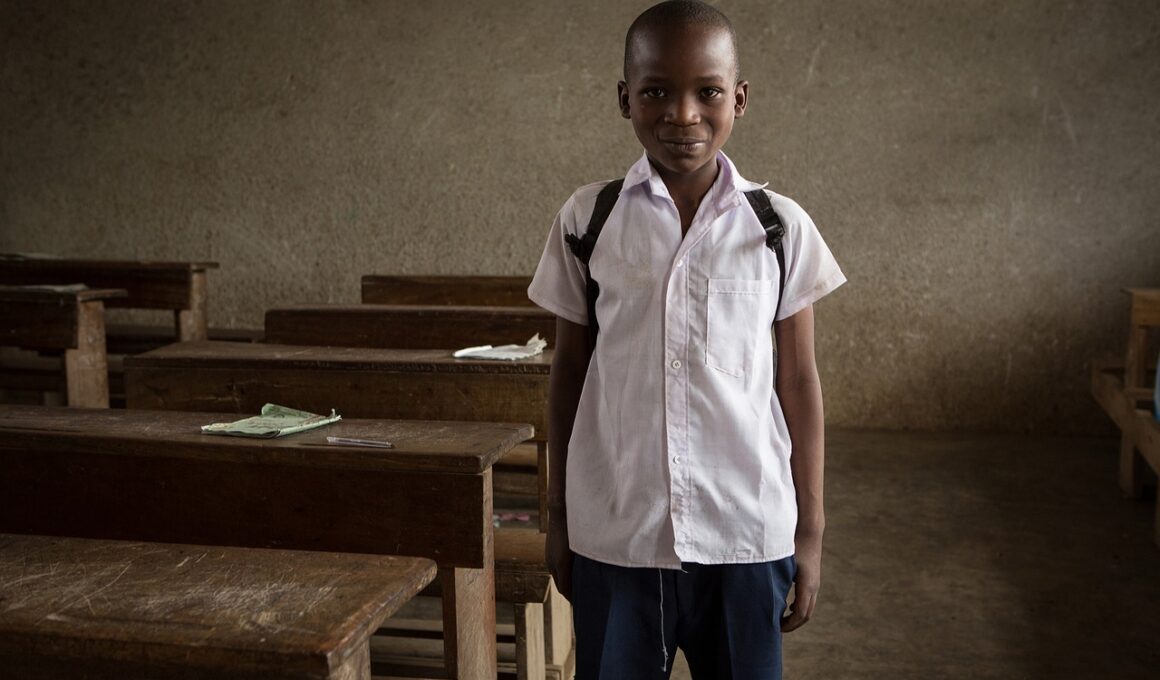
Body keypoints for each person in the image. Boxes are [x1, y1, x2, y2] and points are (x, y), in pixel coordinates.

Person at [528, 1, 846, 677]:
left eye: (707, 92)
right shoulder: (589, 219)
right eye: (656, 92)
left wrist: (810, 533)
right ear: (625, 98)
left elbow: (798, 382)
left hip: (745, 534)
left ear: (739, 98)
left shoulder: (778, 227)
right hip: (619, 533)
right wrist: (558, 514)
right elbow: (570, 373)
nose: (682, 114)